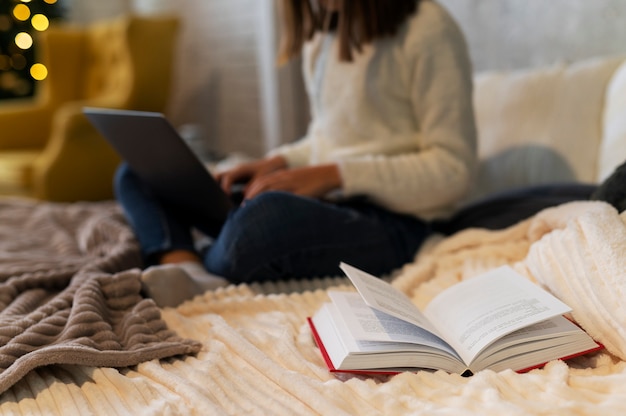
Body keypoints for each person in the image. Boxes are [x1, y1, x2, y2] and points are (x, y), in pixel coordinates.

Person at [114, 0, 477, 307]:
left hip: (397, 220)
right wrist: (278, 162)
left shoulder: (428, 28)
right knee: (138, 171)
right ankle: (187, 265)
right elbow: (324, 140)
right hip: (331, 201)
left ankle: (200, 257)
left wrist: (335, 175)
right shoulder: (325, 35)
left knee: (263, 220)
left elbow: (453, 170)